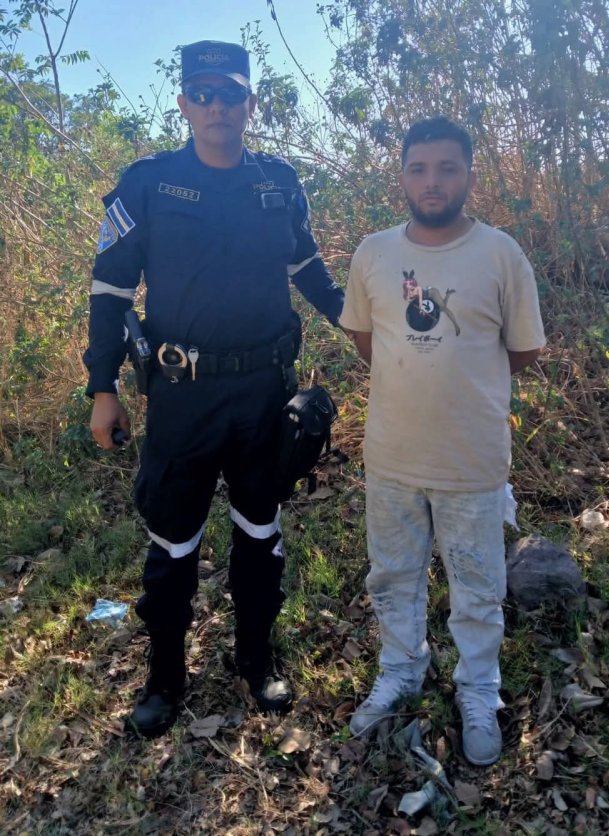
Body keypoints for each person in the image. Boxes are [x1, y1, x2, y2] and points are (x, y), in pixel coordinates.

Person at [85, 41, 344, 738]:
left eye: (230, 94)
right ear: (183, 104)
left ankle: (256, 660)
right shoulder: (148, 182)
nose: (217, 107)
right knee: (172, 544)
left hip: (264, 392)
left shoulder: (279, 182)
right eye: (202, 94)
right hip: (180, 395)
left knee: (261, 533)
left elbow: (307, 264)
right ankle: (165, 677)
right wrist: (101, 387)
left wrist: (356, 321)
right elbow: (109, 290)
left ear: (250, 104)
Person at [340, 116, 545, 766]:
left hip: (472, 462)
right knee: (393, 576)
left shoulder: (501, 254)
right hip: (392, 458)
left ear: (469, 177)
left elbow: (522, 351)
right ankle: (401, 669)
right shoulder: (373, 253)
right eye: (420, 168)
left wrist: (462, 382)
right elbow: (368, 341)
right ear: (402, 176)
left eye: (447, 168)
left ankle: (479, 689)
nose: (433, 182)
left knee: (478, 587)